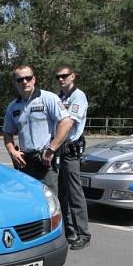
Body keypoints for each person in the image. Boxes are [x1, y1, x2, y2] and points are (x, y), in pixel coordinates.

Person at [3, 65, 72, 196]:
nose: (24, 82)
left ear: (34, 79)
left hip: (45, 161)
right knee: (28, 200)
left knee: (49, 202)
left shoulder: (48, 98)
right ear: (15, 83)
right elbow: (7, 132)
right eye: (20, 79)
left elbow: (66, 122)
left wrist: (51, 149)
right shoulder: (12, 107)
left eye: (28, 78)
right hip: (24, 164)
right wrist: (12, 151)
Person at [55, 64, 91, 250]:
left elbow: (68, 123)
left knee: (75, 193)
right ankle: (69, 231)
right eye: (58, 77)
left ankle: (83, 233)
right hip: (60, 150)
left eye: (65, 76)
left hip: (70, 150)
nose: (61, 79)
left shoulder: (78, 96)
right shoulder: (60, 97)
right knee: (61, 193)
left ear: (73, 76)